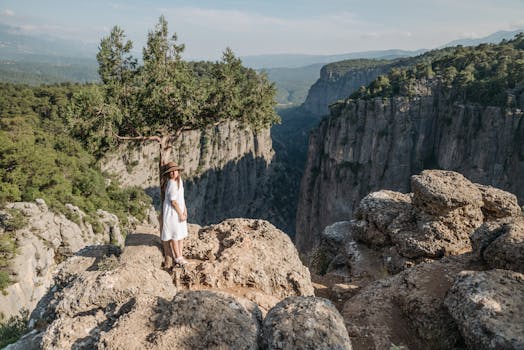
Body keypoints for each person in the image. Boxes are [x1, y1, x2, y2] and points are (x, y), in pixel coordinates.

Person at [161, 162, 189, 266]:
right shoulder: (172, 183)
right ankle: (177, 257)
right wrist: (180, 214)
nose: (173, 172)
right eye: (171, 171)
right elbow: (173, 202)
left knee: (181, 235)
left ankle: (180, 255)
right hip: (173, 213)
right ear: (168, 173)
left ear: (178, 171)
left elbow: (181, 197)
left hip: (179, 210)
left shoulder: (179, 181)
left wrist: (185, 209)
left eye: (175, 170)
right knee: (175, 235)